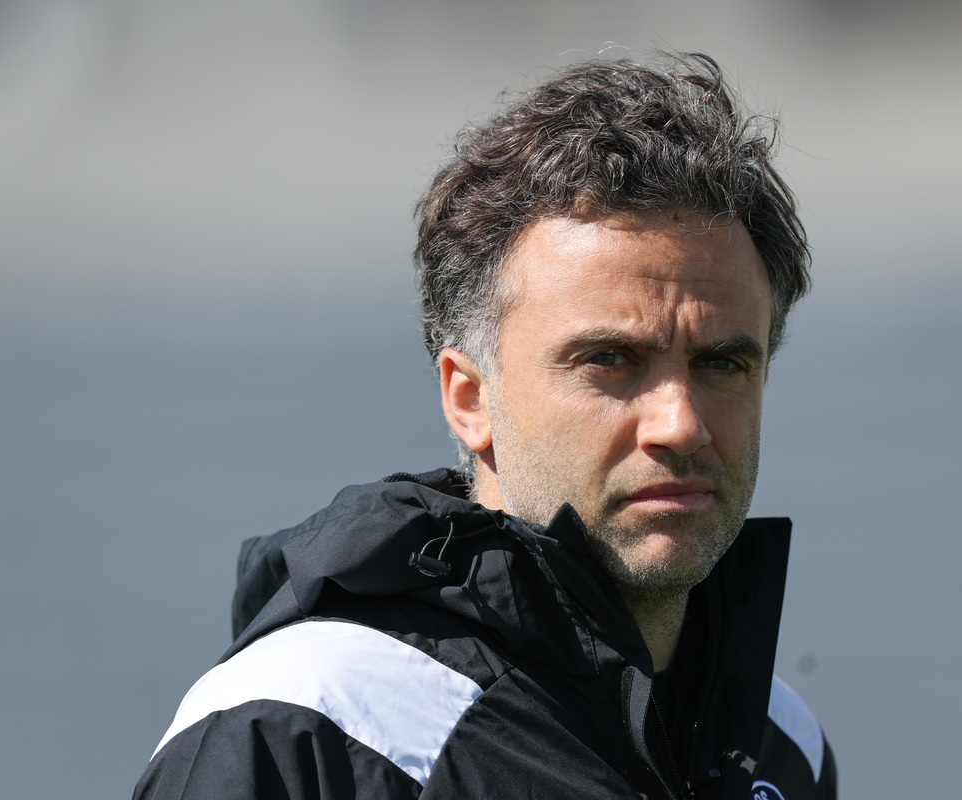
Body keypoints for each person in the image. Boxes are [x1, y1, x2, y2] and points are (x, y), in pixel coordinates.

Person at [134, 52, 837, 800]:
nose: (680, 423)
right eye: (610, 360)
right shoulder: (299, 731)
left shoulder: (782, 748)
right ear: (469, 399)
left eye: (722, 363)